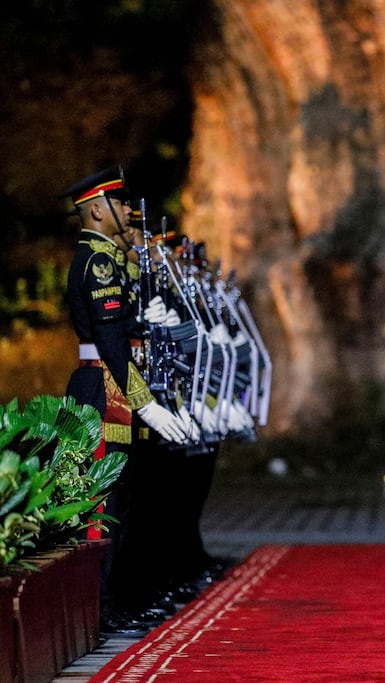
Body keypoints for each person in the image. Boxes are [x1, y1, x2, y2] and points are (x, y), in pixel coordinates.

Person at [62, 166, 198, 635]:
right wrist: (147, 404)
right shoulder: (96, 262)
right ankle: (98, 609)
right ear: (97, 210)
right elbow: (111, 345)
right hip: (103, 390)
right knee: (103, 509)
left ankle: (113, 600)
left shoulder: (107, 260)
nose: (126, 211)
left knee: (124, 503)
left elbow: (124, 333)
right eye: (118, 204)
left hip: (113, 387)